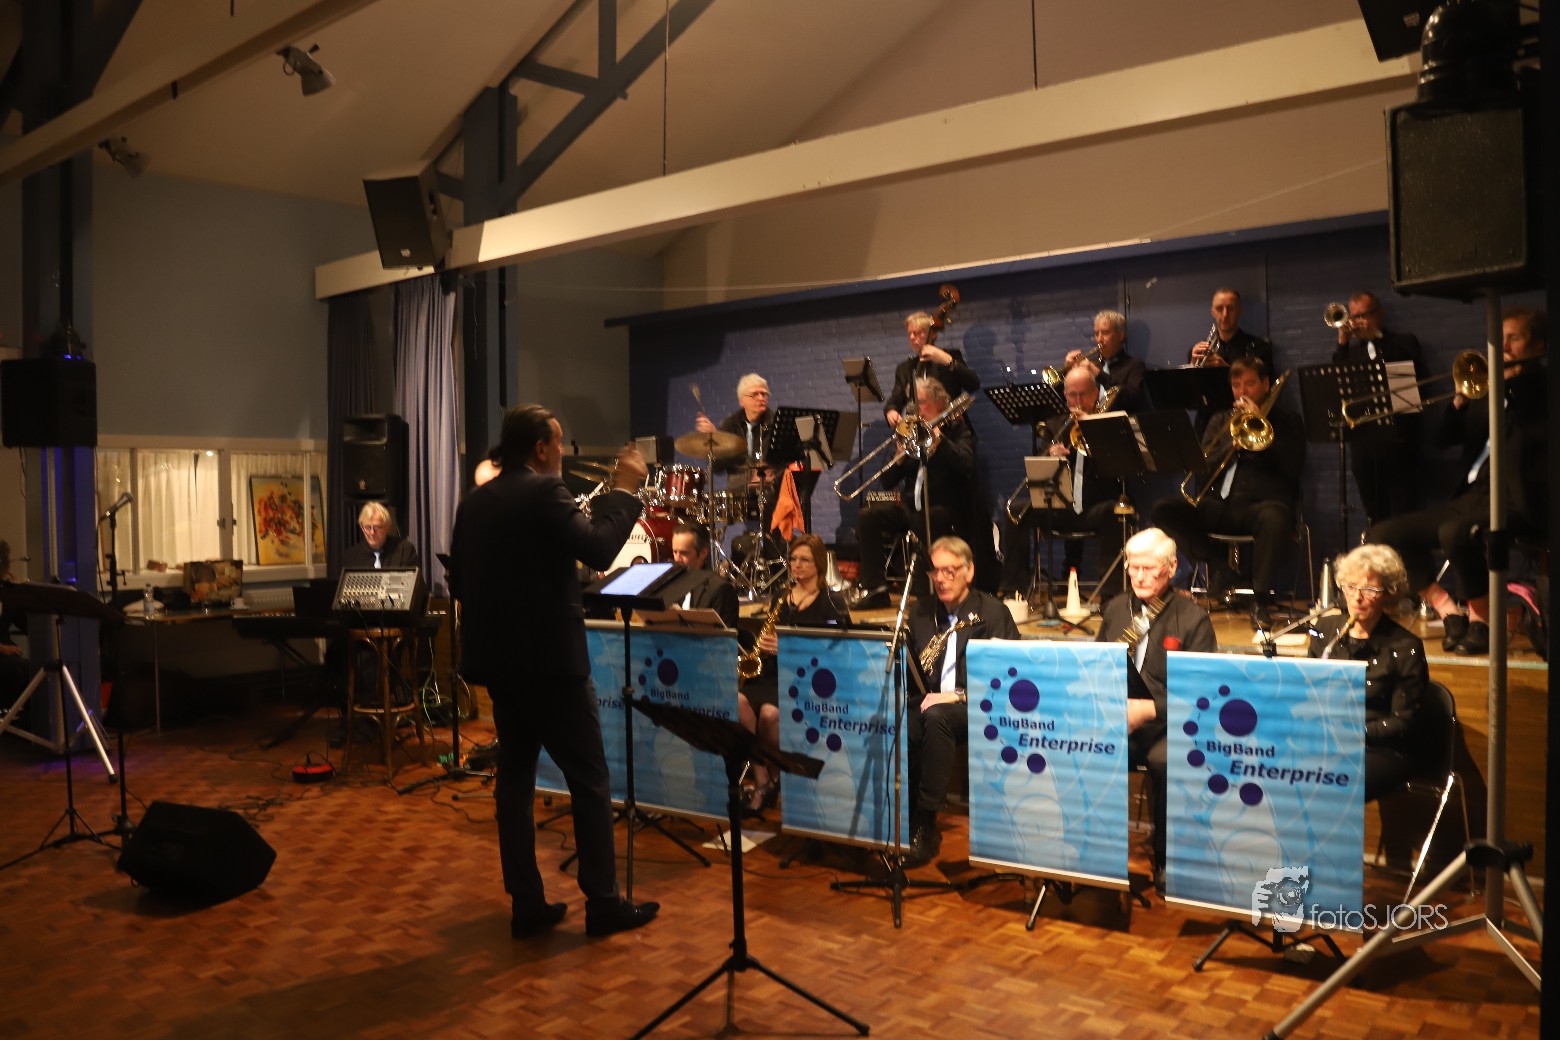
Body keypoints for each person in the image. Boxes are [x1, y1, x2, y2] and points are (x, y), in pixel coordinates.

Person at [449, 403, 659, 939]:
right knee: (589, 780)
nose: (563, 451)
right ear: (540, 448)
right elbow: (601, 548)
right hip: (552, 665)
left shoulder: (474, 503)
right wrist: (625, 488)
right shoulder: (545, 491)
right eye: (559, 442)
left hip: (502, 666)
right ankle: (603, 904)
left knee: (514, 783)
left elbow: (459, 583)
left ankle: (526, 903)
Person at [1367, 307, 1547, 656]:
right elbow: (1442, 439)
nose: (1504, 347)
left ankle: (1483, 623)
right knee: (1383, 534)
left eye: (1514, 338)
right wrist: (1461, 399)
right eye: (1500, 338)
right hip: (1473, 495)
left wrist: (1511, 385)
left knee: (1454, 532)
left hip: (1517, 499)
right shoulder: (1487, 390)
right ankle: (1449, 612)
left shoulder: (1541, 389)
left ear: (1538, 345)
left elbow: (1534, 429)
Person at [1096, 527, 1216, 876]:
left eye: (1149, 568)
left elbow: (1203, 697)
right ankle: (1094, 850)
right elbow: (1096, 667)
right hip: (1120, 717)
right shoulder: (1117, 609)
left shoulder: (1192, 619)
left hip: (1169, 724)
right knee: (1082, 744)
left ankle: (1166, 858)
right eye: (1133, 568)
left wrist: (1149, 709)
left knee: (1165, 761)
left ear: (1172, 568)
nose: (1139, 577)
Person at [1152, 357, 1304, 629]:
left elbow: (1293, 467)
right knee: (1164, 510)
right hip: (1222, 504)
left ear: (1265, 384)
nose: (1242, 391)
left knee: (1274, 519)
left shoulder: (1287, 420)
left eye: (1250, 384)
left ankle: (1260, 601)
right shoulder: (1221, 419)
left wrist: (1261, 437)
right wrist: (1230, 447)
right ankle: (1223, 569)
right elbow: (1201, 467)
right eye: (1236, 385)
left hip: (1265, 504)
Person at [904, 536, 1020, 867]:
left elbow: (1010, 678)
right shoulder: (922, 611)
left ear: (968, 572)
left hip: (978, 706)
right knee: (903, 721)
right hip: (928, 703)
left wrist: (954, 695)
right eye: (935, 571)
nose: (940, 579)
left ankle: (926, 821)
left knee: (937, 716)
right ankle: (902, 816)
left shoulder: (992, 613)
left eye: (949, 571)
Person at [739, 532, 850, 812]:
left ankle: (778, 774)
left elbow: (837, 650)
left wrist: (787, 647)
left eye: (804, 560)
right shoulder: (781, 596)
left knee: (769, 715)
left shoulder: (831, 601)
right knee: (737, 703)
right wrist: (763, 647)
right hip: (773, 673)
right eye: (793, 559)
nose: (796, 565)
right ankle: (762, 778)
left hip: (807, 677)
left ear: (818, 564)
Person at [997, 359, 1126, 599]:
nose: (1077, 401)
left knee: (1116, 512)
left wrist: (1093, 432)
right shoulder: (1056, 424)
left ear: (1095, 394)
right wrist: (1050, 455)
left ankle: (1111, 596)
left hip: (1094, 506)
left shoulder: (1108, 422)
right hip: (1061, 507)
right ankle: (1015, 590)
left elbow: (1119, 468)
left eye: (1083, 395)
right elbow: (1037, 469)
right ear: (1064, 396)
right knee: (1015, 511)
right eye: (1071, 395)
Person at [1308, 544, 1426, 803]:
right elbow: (1309, 692)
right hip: (1331, 741)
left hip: (1383, 749)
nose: (1357, 598)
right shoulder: (1324, 629)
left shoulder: (1405, 647)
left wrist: (1352, 733)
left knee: (1336, 782)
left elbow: (1403, 722)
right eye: (1350, 587)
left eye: (1370, 590)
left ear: (1388, 593)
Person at [855, 376, 976, 605]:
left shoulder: (957, 428)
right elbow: (887, 481)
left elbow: (967, 465)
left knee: (925, 519)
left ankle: (927, 593)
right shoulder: (912, 432)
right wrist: (899, 458)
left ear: (939, 402)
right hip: (912, 506)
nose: (915, 409)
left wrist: (942, 442)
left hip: (946, 507)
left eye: (922, 402)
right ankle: (876, 590)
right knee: (867, 516)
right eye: (914, 403)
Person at [1333, 290, 1426, 524]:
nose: (1358, 321)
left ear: (1379, 313)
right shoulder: (1352, 353)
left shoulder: (1404, 342)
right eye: (1354, 316)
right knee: (1375, 516)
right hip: (1364, 447)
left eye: (1364, 315)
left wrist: (1377, 337)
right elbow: (1338, 384)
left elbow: (1410, 372)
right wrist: (1342, 344)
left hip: (1399, 442)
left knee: (1404, 518)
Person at [884, 310, 981, 429]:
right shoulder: (905, 368)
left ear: (933, 334)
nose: (912, 337)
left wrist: (947, 360)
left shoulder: (949, 356)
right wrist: (891, 410)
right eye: (910, 334)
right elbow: (895, 399)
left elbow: (973, 384)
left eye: (917, 333)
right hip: (920, 432)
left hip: (952, 429)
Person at [1066, 309, 1147, 413]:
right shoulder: (1092, 365)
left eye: (1105, 333)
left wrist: (1099, 375)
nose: (1099, 339)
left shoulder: (1134, 365)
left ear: (1120, 335)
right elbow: (1070, 398)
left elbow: (1133, 399)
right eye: (1096, 334)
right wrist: (1069, 373)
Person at [1186, 288, 1276, 371]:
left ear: (1239, 310)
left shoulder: (1259, 348)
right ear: (1213, 312)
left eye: (1231, 308)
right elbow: (1190, 383)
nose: (1225, 314)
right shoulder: (1199, 352)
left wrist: (1225, 370)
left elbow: (1265, 381)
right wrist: (1193, 365)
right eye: (1219, 309)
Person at [669, 522, 739, 627]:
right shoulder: (671, 585)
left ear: (703, 553)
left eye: (684, 553)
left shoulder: (720, 589)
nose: (677, 559)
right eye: (675, 552)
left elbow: (724, 635)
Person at [342, 501, 421, 570]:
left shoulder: (405, 551)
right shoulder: (351, 557)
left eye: (377, 527)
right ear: (362, 528)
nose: (372, 532)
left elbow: (415, 581)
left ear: (387, 527)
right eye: (368, 527)